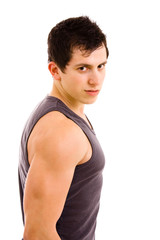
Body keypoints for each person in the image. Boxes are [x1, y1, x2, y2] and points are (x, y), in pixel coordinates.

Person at [18, 16, 109, 240]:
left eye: (101, 66)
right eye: (83, 68)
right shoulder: (61, 132)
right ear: (55, 70)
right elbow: (37, 234)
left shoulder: (66, 114)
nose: (95, 79)